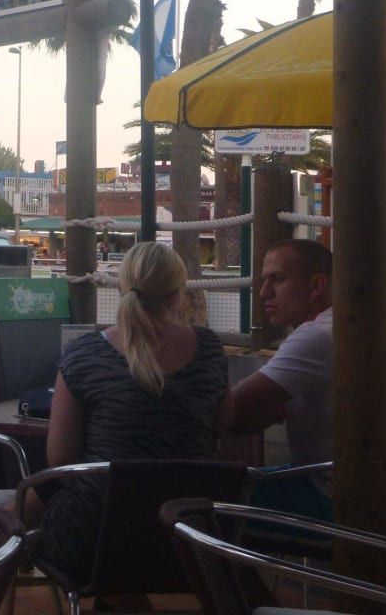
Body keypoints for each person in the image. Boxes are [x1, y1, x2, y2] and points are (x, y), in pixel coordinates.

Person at [29, 241, 228, 579]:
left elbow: (61, 461)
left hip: (95, 539)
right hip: (189, 537)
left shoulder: (84, 355)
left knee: (41, 494)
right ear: (177, 295)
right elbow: (222, 424)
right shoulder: (209, 348)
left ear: (122, 287)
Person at [221, 237, 386, 520]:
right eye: (263, 281)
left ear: (316, 285)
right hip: (382, 494)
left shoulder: (318, 335)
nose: (264, 292)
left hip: (342, 503)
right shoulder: (342, 325)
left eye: (277, 279)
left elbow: (233, 409)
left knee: (204, 499)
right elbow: (256, 410)